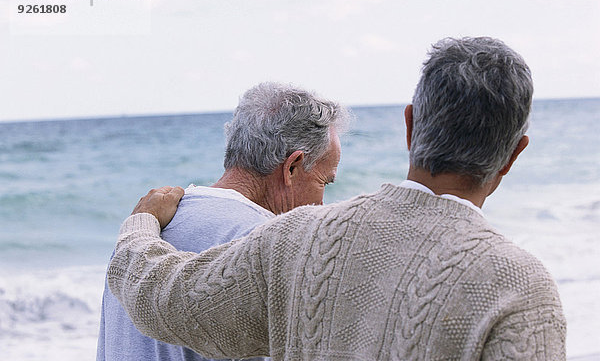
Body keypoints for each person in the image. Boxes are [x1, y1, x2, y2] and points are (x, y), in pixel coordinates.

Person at [107, 37, 567, 360]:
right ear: (513, 155)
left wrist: (141, 226)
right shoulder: (522, 287)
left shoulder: (298, 239)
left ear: (410, 126)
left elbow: (166, 301)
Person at [97, 82, 348, 361]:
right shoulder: (268, 247)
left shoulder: (139, 234)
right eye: (324, 182)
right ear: (292, 167)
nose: (322, 205)